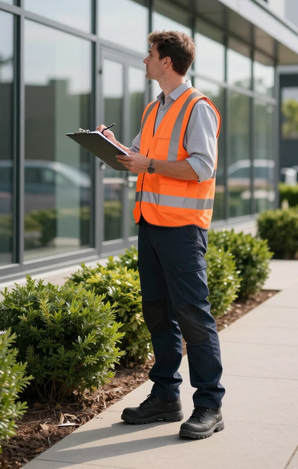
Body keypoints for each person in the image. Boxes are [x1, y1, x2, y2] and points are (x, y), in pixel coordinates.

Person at [96, 30, 225, 440]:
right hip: (150, 225)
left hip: (183, 231)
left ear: (166, 61)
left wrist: (148, 163)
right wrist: (109, 144)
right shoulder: (153, 110)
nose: (145, 61)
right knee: (158, 314)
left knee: (192, 315)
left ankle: (209, 405)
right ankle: (166, 397)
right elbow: (137, 160)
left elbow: (201, 167)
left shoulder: (197, 107)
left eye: (149, 55)